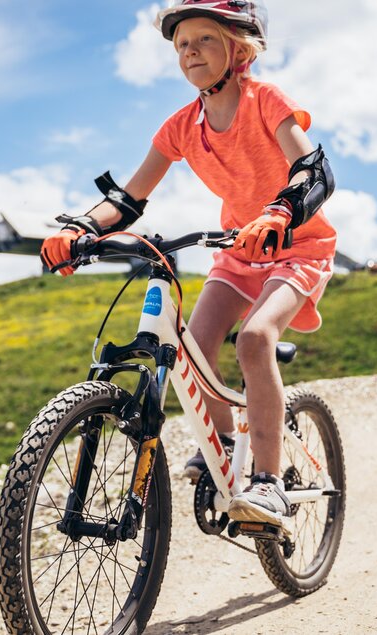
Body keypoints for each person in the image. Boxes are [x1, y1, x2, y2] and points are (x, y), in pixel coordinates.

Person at [40, 0, 336, 531]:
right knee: (192, 351)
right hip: (238, 251)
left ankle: (267, 483)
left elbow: (313, 172)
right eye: (182, 44)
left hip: (296, 246)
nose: (190, 51)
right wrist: (81, 229)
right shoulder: (182, 126)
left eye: (203, 39)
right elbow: (129, 198)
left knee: (254, 339)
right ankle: (223, 442)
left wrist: (279, 211)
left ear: (238, 49)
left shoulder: (266, 102)